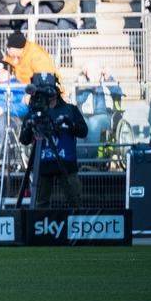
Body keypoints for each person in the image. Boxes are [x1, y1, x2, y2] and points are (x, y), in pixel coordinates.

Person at [19, 72, 88, 208]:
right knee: (40, 203)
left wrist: (70, 125)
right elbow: (24, 139)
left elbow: (83, 131)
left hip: (66, 163)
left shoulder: (70, 109)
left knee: (76, 200)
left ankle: (77, 226)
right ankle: (40, 227)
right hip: (42, 164)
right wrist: (30, 128)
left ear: (57, 90)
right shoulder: (33, 112)